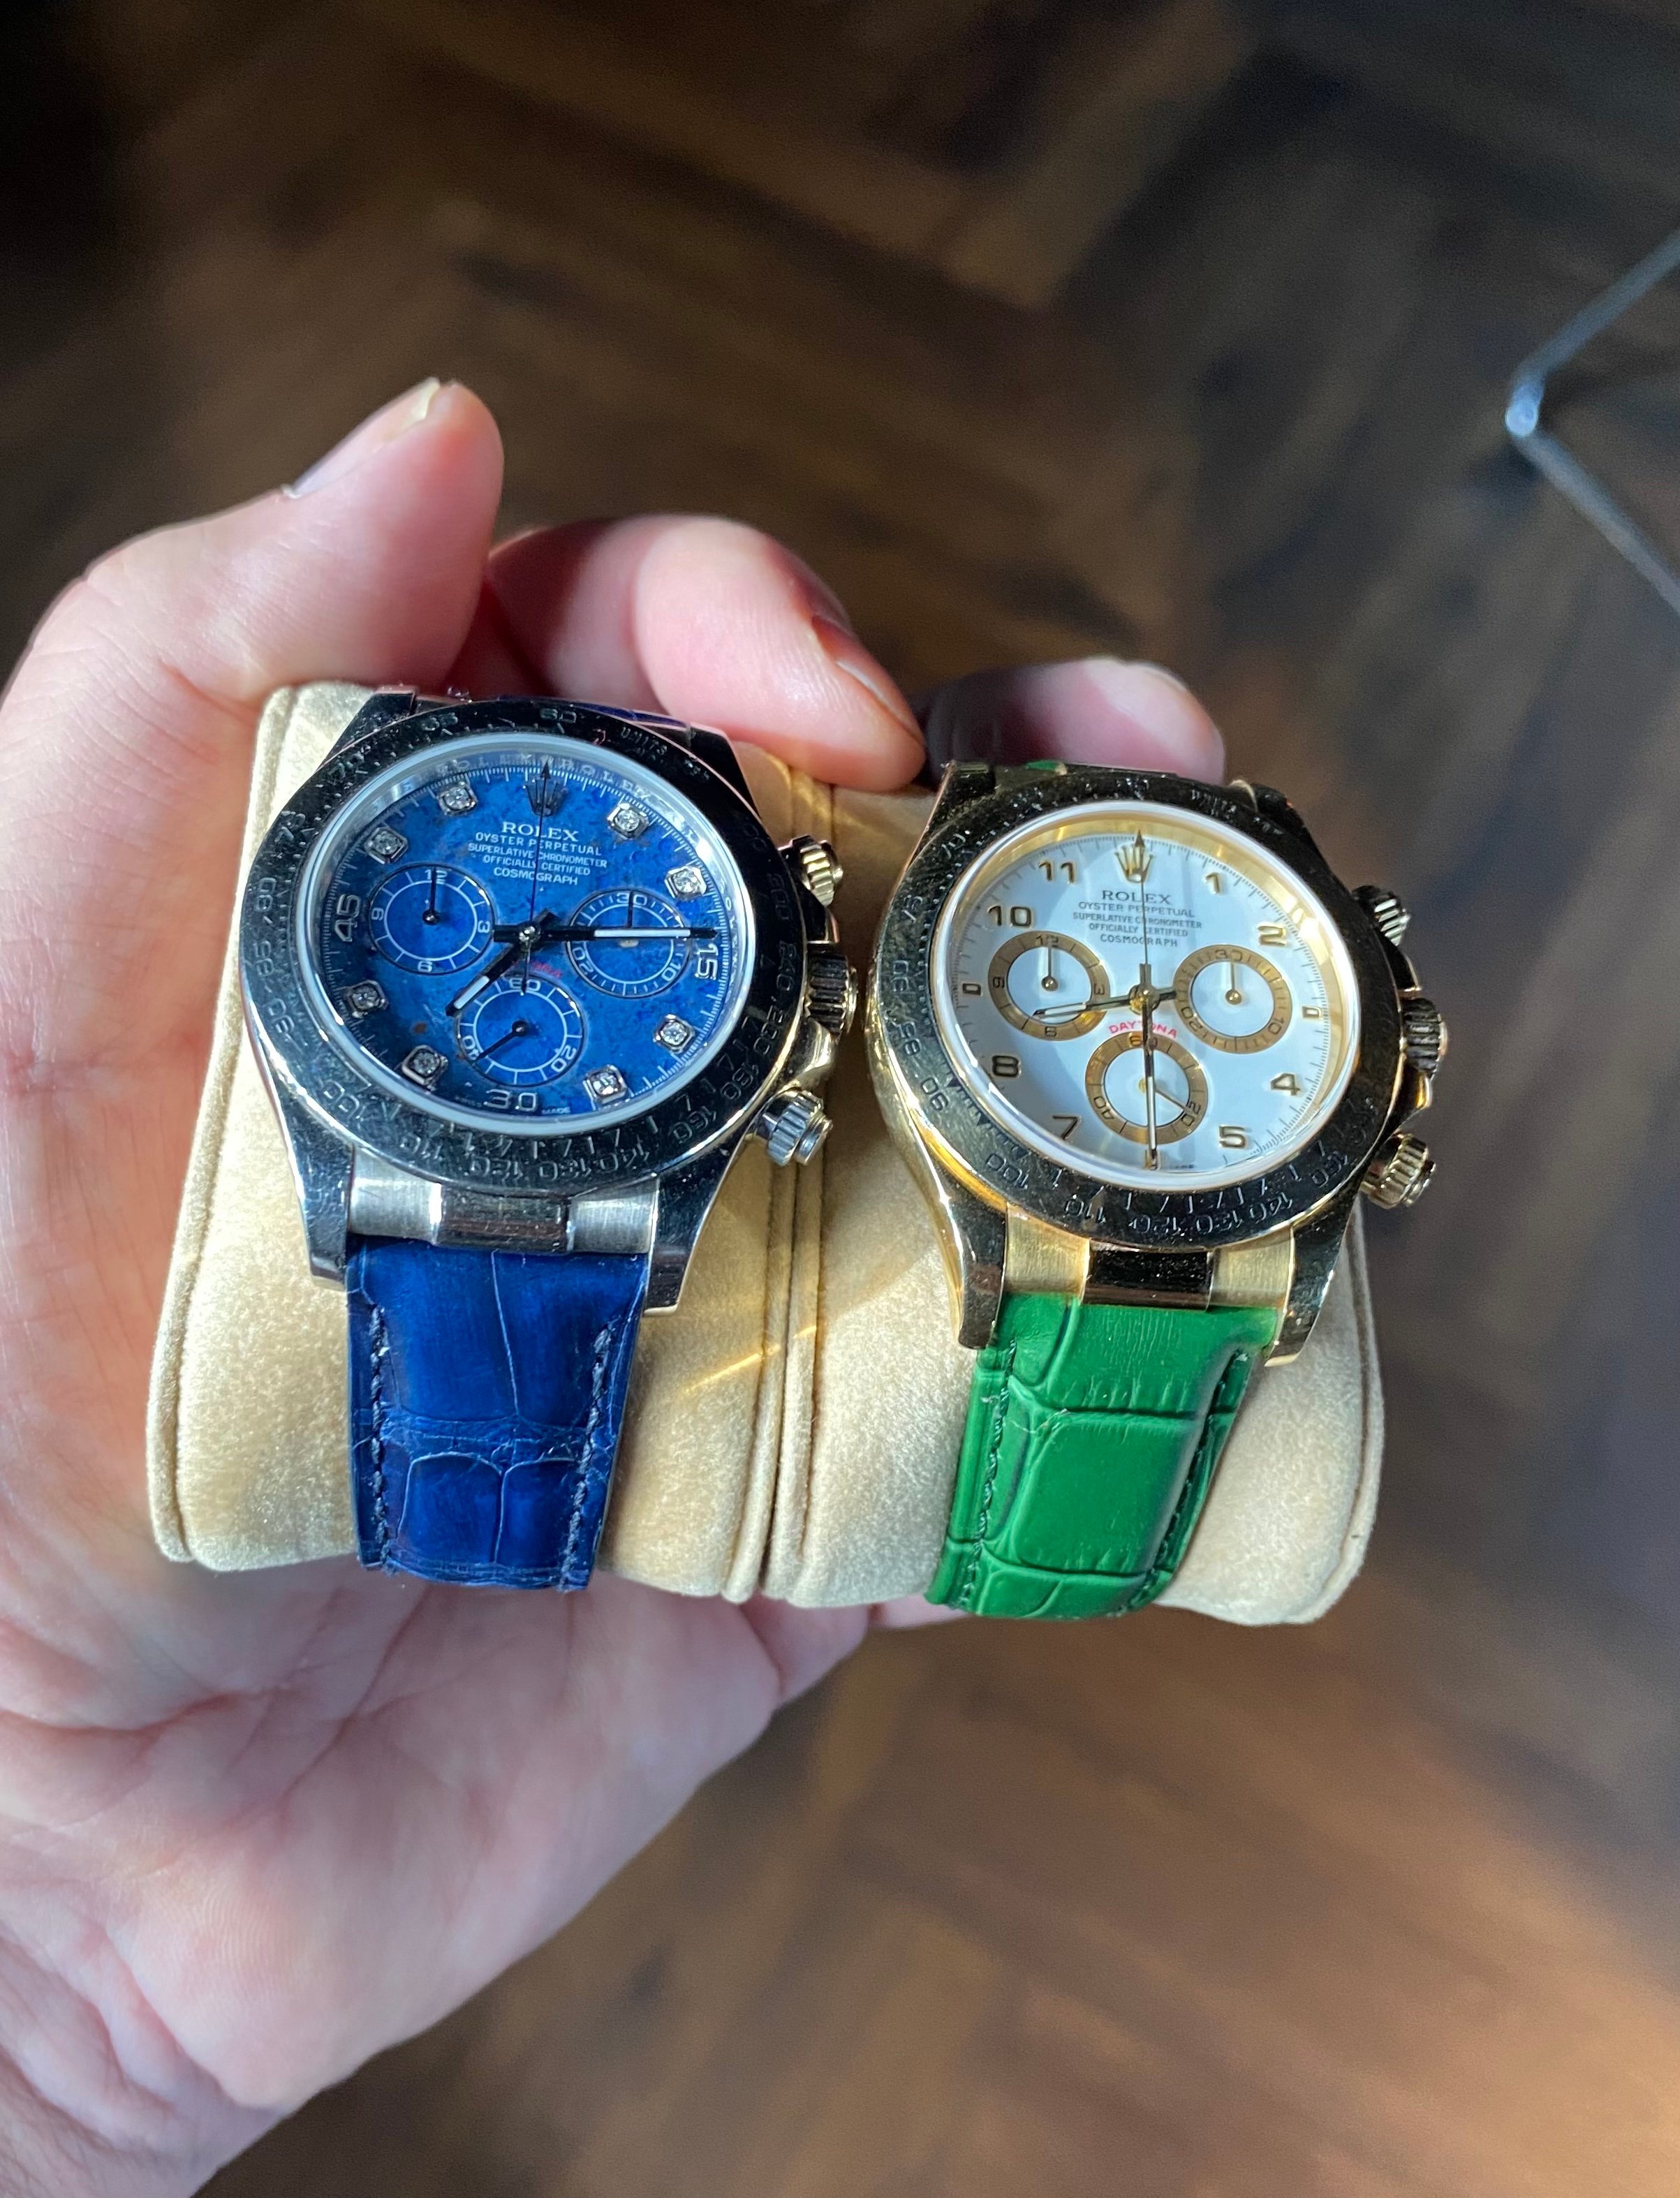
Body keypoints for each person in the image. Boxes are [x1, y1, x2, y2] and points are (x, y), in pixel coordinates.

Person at [0, 381, 1225, 2194]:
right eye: (514, 920)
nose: (534, 929)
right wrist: (48, 1980)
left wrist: (59, 2030)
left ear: (792, 1000)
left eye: (573, 921)